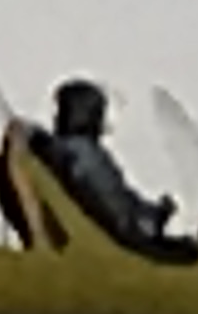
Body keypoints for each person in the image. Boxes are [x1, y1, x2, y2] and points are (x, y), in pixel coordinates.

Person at [33, 77, 185, 254]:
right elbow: (117, 205)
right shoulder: (84, 156)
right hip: (133, 235)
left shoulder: (61, 150)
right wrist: (159, 214)